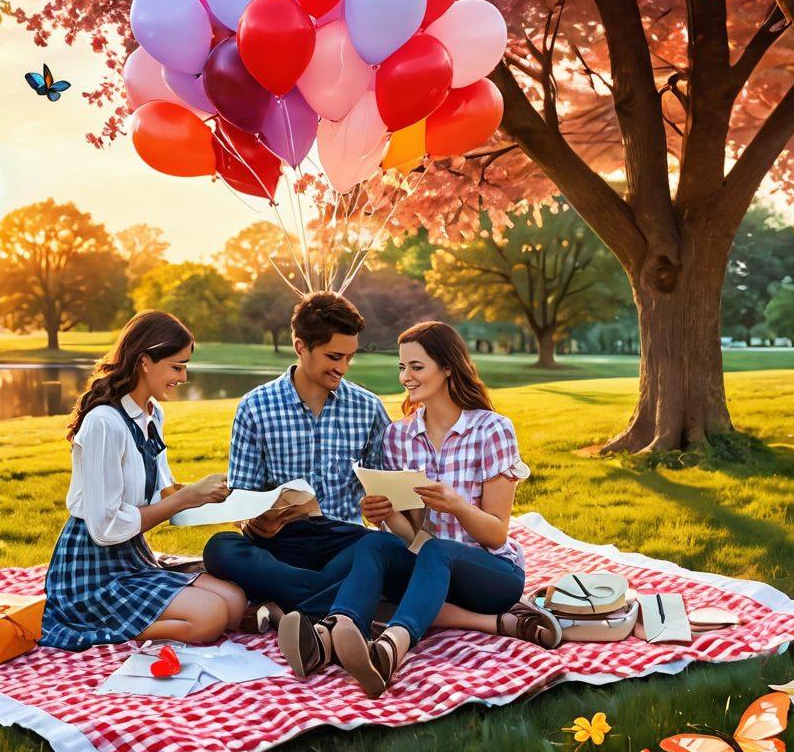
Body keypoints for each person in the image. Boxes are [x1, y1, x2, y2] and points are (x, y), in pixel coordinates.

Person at [277, 321, 561, 697]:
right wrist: (386, 515)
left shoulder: (492, 430)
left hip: (491, 575)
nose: (405, 377)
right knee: (374, 543)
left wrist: (456, 505)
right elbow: (413, 539)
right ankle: (333, 634)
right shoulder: (398, 437)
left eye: (416, 366)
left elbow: (496, 535)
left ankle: (391, 648)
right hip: (429, 572)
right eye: (402, 367)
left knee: (437, 551)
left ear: (448, 367)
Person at [40, 310, 247, 650]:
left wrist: (234, 503)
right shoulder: (104, 422)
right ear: (145, 362)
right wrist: (186, 497)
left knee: (235, 602)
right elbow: (105, 529)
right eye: (177, 367)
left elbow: (167, 493)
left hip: (133, 555)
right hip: (91, 568)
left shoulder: (152, 415)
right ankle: (101, 631)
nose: (183, 377)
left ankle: (164, 618)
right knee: (211, 617)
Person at [202, 291, 392, 623]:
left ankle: (284, 603)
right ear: (301, 346)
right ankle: (337, 599)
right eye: (334, 356)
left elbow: (385, 489)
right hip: (280, 543)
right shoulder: (255, 406)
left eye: (350, 357)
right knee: (220, 548)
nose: (343, 368)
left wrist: (381, 504)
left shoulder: (369, 407)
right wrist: (254, 519)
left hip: (343, 540)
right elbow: (242, 498)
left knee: (387, 549)